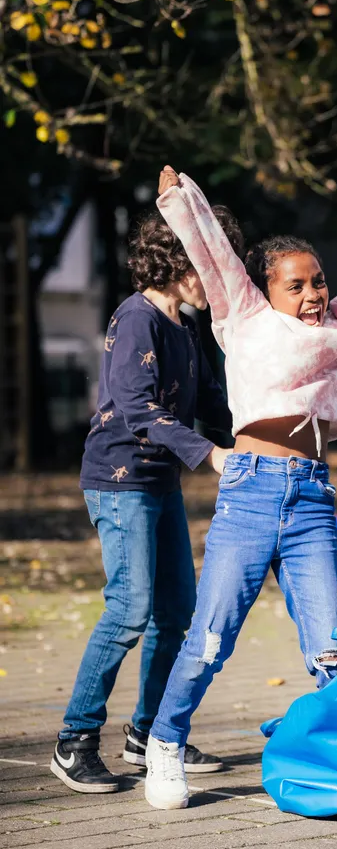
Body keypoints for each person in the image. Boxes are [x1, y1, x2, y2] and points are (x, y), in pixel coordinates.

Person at [144, 166, 337, 810]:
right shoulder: (243, 317)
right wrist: (181, 197)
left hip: (311, 498)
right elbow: (215, 258)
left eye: (319, 281)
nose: (312, 294)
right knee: (211, 637)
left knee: (331, 650)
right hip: (249, 494)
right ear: (266, 291)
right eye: (296, 285)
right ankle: (164, 745)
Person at [50, 205, 243, 794]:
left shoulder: (185, 328)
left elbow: (214, 403)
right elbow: (138, 409)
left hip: (158, 483)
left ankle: (149, 734)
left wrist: (265, 439)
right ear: (181, 263)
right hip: (118, 482)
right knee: (130, 608)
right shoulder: (137, 318)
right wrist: (209, 455)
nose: (219, 280)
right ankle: (74, 740)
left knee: (176, 613)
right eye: (211, 265)